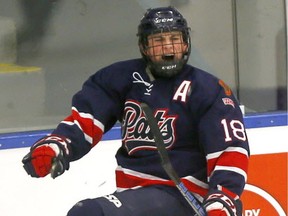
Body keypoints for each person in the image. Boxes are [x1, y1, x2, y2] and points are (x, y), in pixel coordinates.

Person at [22, 6, 249, 216]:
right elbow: (85, 122)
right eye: (158, 40)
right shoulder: (121, 79)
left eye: (174, 40)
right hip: (134, 197)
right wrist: (56, 145)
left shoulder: (207, 89)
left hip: (187, 198)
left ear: (186, 43)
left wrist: (223, 199)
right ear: (144, 46)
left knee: (89, 213)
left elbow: (229, 150)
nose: (168, 48)